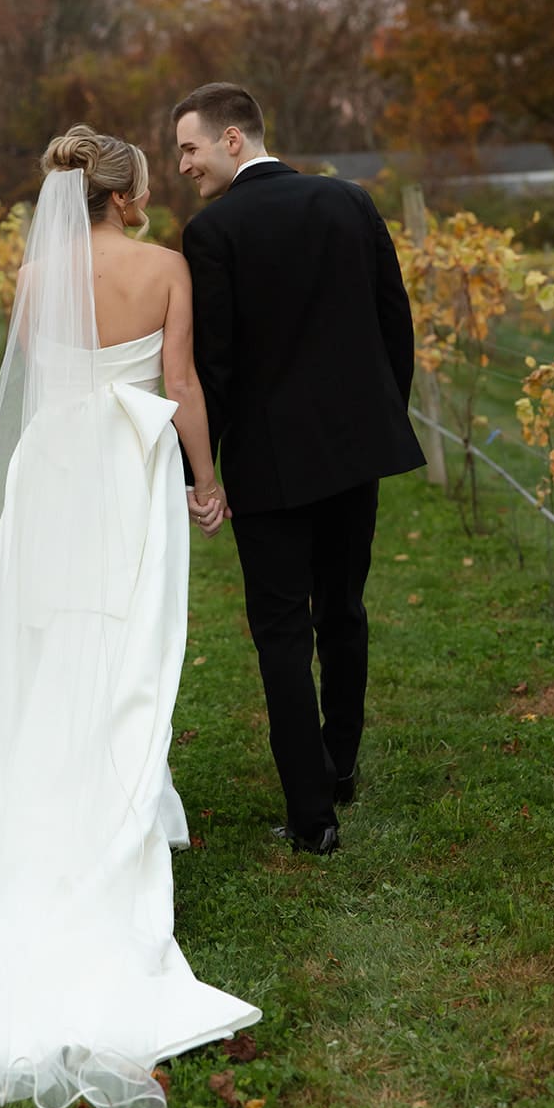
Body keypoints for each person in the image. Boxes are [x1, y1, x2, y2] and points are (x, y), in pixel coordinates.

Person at [0, 124, 259, 1108]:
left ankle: (44, 805)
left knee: (36, 650)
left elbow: (39, 385)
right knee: (124, 651)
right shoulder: (164, 264)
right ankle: (107, 811)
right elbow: (184, 385)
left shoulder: (35, 284)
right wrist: (208, 484)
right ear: (126, 195)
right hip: (126, 474)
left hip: (53, 475)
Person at [174, 83, 424, 856]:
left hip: (270, 464)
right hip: (356, 448)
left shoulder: (211, 233)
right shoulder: (350, 202)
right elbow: (395, 323)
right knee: (342, 607)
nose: (181, 165)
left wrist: (203, 469)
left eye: (188, 147)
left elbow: (212, 366)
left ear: (232, 141)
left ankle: (313, 815)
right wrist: (378, 421)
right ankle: (339, 761)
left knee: (280, 631)